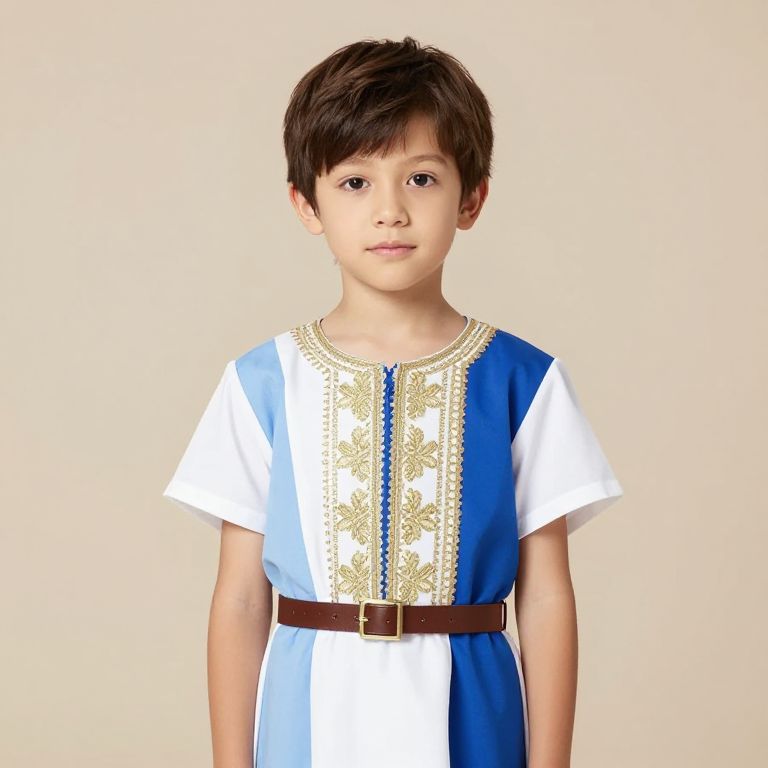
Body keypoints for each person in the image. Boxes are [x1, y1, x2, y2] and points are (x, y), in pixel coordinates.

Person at [162, 35, 624, 768]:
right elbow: (242, 599)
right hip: (308, 719)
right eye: (355, 182)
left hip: (473, 719)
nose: (390, 211)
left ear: (471, 198)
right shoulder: (263, 382)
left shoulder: (523, 381)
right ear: (306, 203)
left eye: (421, 179)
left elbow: (545, 598)